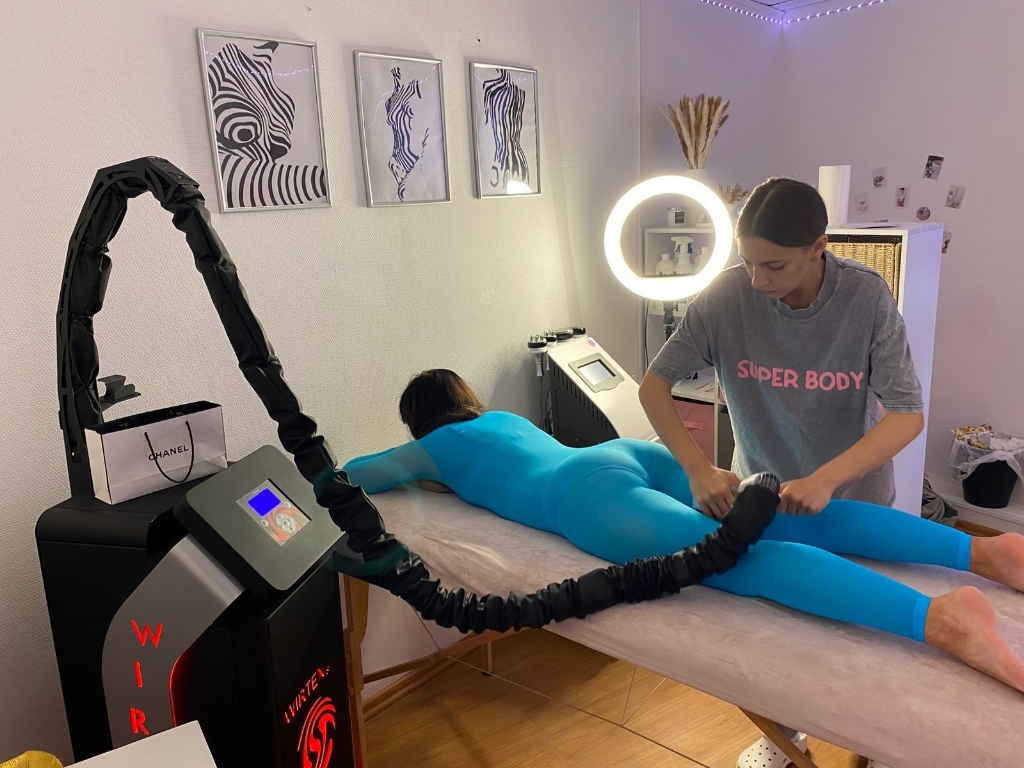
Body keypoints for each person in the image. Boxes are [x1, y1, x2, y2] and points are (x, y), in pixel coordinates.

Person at [638, 177, 1024, 767]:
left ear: (818, 247)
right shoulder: (727, 297)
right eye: (748, 262)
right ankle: (786, 733)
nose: (758, 280)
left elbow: (907, 415)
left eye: (775, 266)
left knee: (870, 633)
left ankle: (880, 741)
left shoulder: (864, 298)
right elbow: (654, 387)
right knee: (786, 631)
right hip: (763, 499)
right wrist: (696, 469)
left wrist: (825, 480)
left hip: (853, 499)